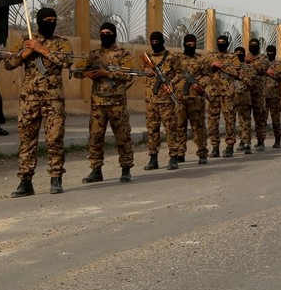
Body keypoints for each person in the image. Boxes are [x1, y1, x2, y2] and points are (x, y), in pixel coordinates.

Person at [5, 6, 73, 196]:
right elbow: (8, 64)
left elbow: (66, 61)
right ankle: (25, 181)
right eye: (47, 20)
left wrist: (41, 49)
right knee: (27, 140)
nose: (50, 23)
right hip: (30, 99)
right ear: (38, 21)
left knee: (55, 139)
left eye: (53, 20)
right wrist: (25, 54)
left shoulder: (62, 43)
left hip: (53, 100)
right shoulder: (25, 41)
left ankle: (56, 178)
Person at [77, 22, 136, 184]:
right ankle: (96, 170)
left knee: (123, 136)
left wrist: (107, 73)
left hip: (117, 103)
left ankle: (126, 169)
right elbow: (77, 71)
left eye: (108, 32)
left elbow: (129, 75)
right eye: (102, 32)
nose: (105, 34)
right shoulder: (94, 54)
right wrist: (87, 73)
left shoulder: (123, 54)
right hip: (97, 104)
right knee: (96, 137)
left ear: (114, 34)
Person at [168, 33, 211, 168]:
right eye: (188, 44)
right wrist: (172, 83)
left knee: (198, 127)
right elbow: (173, 73)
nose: (191, 46)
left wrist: (200, 84)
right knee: (179, 127)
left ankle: (202, 153)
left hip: (196, 99)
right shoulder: (177, 58)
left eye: (193, 43)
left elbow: (208, 76)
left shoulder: (202, 59)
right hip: (180, 99)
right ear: (184, 44)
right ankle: (180, 153)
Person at [142, 31, 176, 170]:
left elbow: (179, 73)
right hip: (151, 101)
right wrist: (146, 71)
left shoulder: (171, 57)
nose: (154, 43)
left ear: (162, 41)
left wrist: (170, 83)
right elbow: (140, 71)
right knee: (152, 131)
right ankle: (153, 159)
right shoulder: (147, 57)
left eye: (157, 40)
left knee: (170, 130)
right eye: (152, 41)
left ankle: (173, 157)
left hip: (167, 101)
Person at [262, 43, 281, 147]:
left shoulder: (279, 64)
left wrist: (272, 73)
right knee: (262, 119)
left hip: (274, 96)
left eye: (272, 52)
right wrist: (264, 70)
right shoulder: (262, 64)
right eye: (268, 52)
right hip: (263, 95)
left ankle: (277, 139)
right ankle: (261, 141)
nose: (270, 54)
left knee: (275, 119)